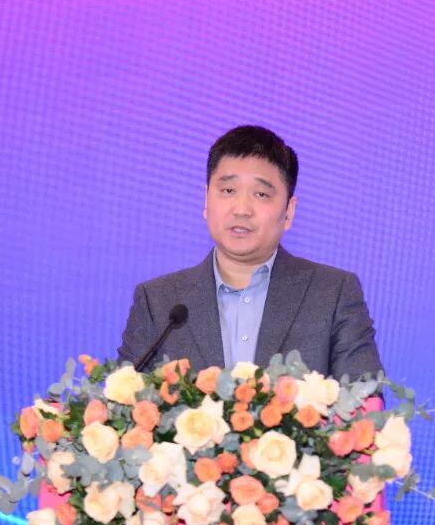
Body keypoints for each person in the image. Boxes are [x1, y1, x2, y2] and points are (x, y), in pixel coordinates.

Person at [117, 125, 383, 379]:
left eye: (261, 194)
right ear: (206, 200)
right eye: (228, 190)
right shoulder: (158, 302)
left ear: (289, 211)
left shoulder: (333, 294)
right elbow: (122, 401)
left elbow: (365, 402)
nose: (242, 209)